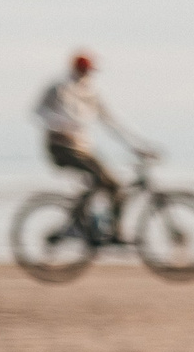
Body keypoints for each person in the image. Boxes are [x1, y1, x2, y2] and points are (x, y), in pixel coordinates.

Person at [34, 52, 157, 239]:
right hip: (62, 147)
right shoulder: (59, 88)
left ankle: (105, 229)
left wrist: (138, 145)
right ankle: (82, 227)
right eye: (83, 71)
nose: (86, 75)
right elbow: (39, 111)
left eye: (88, 71)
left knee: (111, 185)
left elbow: (112, 121)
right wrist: (60, 125)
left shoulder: (91, 93)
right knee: (103, 181)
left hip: (83, 148)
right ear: (76, 69)